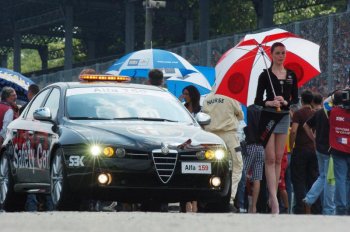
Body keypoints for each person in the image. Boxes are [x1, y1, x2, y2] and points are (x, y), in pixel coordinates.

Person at [254, 42, 299, 214]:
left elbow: (295, 98)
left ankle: (275, 196)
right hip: (268, 117)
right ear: (271, 55)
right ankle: (273, 199)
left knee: (279, 158)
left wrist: (286, 102)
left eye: (283, 53)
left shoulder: (291, 75)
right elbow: (258, 100)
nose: (281, 56)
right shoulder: (264, 75)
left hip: (284, 117)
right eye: (278, 53)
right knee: (270, 158)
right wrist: (270, 102)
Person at [202, 92, 244, 210]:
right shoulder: (231, 96)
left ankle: (210, 197)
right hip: (229, 135)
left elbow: (204, 117)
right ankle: (229, 198)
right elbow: (241, 116)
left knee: (211, 167)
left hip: (211, 137)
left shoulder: (207, 98)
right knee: (236, 166)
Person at [302, 92, 335, 215]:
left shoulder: (320, 112)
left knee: (323, 176)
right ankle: (328, 210)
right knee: (330, 179)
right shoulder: (333, 113)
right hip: (330, 150)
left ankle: (309, 199)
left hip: (319, 149)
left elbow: (306, 126)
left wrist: (313, 139)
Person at [290, 90, 319, 214]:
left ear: (302, 100)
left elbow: (294, 131)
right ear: (312, 101)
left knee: (298, 181)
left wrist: (291, 146)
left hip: (300, 150)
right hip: (313, 151)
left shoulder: (298, 113)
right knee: (313, 180)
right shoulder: (315, 113)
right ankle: (315, 209)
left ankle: (300, 209)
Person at [326, 89, 350, 215]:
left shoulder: (333, 112)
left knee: (340, 179)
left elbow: (325, 103)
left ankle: (341, 208)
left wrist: (338, 94)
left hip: (338, 150)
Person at [178, 85, 201, 213]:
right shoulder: (182, 108)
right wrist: (178, 100)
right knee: (185, 175)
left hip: (196, 144)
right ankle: (186, 203)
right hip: (185, 144)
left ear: (192, 95)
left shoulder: (199, 110)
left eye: (186, 94)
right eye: (183, 94)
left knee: (196, 175)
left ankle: (195, 203)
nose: (185, 96)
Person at [240, 104, 264, 213]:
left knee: (243, 175)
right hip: (260, 147)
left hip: (249, 146)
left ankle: (242, 203)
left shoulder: (245, 111)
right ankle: (253, 207)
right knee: (257, 177)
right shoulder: (261, 111)